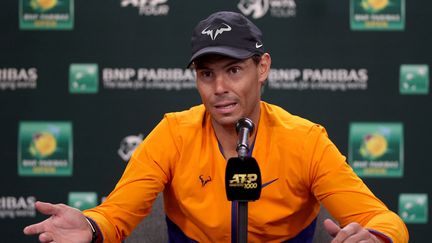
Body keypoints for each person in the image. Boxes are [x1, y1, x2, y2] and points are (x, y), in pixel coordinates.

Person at [23, 11, 409, 243]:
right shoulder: (174, 133)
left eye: (234, 70)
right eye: (207, 74)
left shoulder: (306, 140)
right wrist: (90, 226)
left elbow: (385, 220)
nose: (219, 88)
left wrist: (376, 236)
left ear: (263, 68)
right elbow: (116, 215)